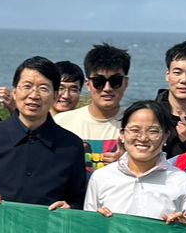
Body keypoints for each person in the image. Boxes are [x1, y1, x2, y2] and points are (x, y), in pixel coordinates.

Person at [0, 57, 87, 210]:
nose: (34, 95)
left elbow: (79, 199)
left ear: (55, 95)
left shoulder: (71, 145)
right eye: (27, 86)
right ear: (15, 92)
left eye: (43, 88)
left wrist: (69, 207)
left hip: (48, 224)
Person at [84, 101, 186, 223]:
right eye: (135, 130)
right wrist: (98, 222)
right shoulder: (101, 178)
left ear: (166, 136)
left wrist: (182, 228)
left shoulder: (184, 183)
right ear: (122, 134)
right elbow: (87, 226)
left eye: (153, 131)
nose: (143, 138)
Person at [54, 43, 132, 171]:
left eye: (115, 81)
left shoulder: (136, 123)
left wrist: (129, 163)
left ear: (126, 82)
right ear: (88, 84)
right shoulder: (60, 123)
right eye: (99, 82)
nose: (107, 88)